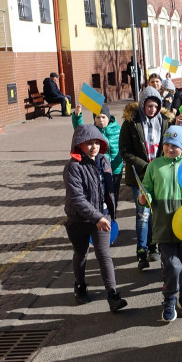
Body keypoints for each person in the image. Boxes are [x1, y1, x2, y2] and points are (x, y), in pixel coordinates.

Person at [139, 126, 182, 321]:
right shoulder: (154, 166)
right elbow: (147, 188)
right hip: (164, 222)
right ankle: (169, 298)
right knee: (173, 265)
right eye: (166, 144)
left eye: (174, 145)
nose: (169, 148)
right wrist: (144, 197)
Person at [63, 124, 126, 312]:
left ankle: (113, 295)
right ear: (79, 145)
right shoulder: (73, 167)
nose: (94, 147)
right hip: (79, 220)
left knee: (104, 254)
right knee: (81, 254)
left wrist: (108, 213)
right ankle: (80, 286)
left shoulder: (103, 161)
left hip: (101, 216)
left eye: (96, 142)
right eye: (88, 143)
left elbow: (109, 189)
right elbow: (76, 198)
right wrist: (96, 216)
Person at [119, 86, 173, 270]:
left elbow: (172, 144)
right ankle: (141, 251)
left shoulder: (165, 122)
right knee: (143, 213)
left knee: (155, 212)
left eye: (155, 106)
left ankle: (152, 245)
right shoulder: (131, 122)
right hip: (140, 175)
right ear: (142, 105)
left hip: (158, 175)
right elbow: (124, 150)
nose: (152, 110)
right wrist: (145, 166)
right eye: (149, 106)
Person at [72, 103, 122, 205]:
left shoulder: (118, 129)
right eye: (98, 117)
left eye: (103, 117)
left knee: (114, 193)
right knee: (102, 193)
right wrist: (77, 116)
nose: (101, 120)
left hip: (116, 169)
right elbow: (80, 129)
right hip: (101, 168)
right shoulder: (93, 131)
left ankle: (113, 214)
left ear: (108, 117)